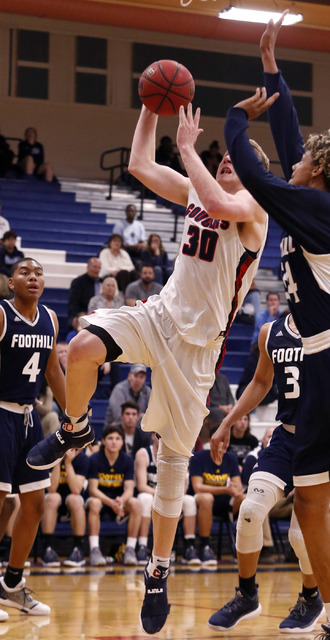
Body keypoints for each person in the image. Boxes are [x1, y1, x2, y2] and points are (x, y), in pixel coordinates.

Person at [27, 98, 270, 635]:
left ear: (252, 170)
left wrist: (188, 150)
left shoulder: (254, 209)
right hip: (158, 315)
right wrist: (149, 106)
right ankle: (74, 428)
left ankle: (158, 569)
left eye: (237, 155)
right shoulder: (197, 194)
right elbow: (138, 164)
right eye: (225, 155)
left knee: (174, 461)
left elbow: (215, 197)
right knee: (83, 346)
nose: (227, 159)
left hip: (198, 350)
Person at [223, 12, 330, 639]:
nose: (297, 160)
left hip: (323, 360)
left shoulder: (313, 205)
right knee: (312, 500)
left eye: (305, 160)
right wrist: (272, 67)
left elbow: (264, 173)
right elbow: (293, 146)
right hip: (318, 360)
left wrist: (237, 119)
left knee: (316, 501)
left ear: (316, 172)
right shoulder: (315, 197)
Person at [209, 312, 324, 633]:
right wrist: (227, 421)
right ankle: (246, 594)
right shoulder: (269, 332)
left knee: (300, 536)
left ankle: (311, 597)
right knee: (249, 510)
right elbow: (261, 382)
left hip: (320, 442)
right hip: (286, 438)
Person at [0, 257, 65, 617]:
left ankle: (11, 584)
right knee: (1, 502)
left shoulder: (50, 319)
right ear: (11, 282)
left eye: (39, 273)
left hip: (28, 418)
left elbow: (53, 369)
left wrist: (75, 416)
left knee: (36, 504)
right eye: (25, 272)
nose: (33, 277)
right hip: (0, 413)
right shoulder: (2, 315)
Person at [135, 432, 200, 566]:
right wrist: (161, 495)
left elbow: (182, 488)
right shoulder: (143, 454)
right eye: (161, 435)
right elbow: (142, 486)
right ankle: (142, 546)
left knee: (189, 501)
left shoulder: (179, 453)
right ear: (153, 436)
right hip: (151, 494)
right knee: (145, 499)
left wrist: (167, 496)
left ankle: (190, 546)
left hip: (171, 496)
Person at [87, 424, 141, 566]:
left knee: (135, 503)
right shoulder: (94, 459)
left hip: (119, 503)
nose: (114, 441)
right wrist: (112, 503)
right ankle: (94, 549)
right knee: (94, 502)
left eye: (117, 438)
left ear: (122, 442)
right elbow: (93, 490)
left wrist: (121, 501)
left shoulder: (127, 460)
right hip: (101, 501)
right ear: (103, 441)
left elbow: (129, 489)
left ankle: (130, 549)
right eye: (110, 438)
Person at [189, 426, 244, 566]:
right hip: (199, 501)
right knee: (207, 498)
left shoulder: (231, 458)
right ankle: (205, 546)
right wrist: (226, 489)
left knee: (245, 499)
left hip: (224, 501)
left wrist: (235, 491)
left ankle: (244, 544)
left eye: (226, 441)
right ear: (212, 441)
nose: (225, 444)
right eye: (221, 441)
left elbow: (237, 486)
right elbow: (198, 487)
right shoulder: (199, 457)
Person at [41, 449, 89, 567]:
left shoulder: (80, 457)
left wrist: (68, 463)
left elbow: (76, 490)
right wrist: (57, 462)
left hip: (72, 501)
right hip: (52, 501)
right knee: (53, 497)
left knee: (75, 499)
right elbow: (51, 488)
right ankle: (47, 549)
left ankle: (78, 549)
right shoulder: (48, 454)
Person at [67, 257, 101, 328]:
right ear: (88, 267)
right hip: (83, 314)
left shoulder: (102, 282)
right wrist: (76, 316)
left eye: (99, 268)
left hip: (100, 316)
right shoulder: (78, 282)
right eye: (95, 267)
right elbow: (74, 303)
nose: (97, 270)